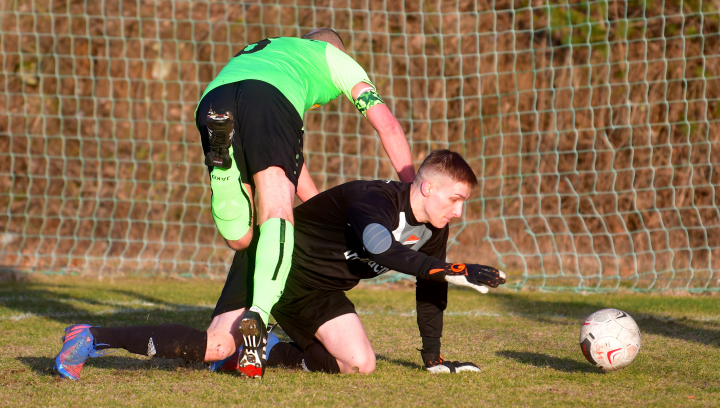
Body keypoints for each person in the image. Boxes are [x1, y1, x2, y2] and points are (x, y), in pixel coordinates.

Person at [54, 150, 506, 380]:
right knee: (216, 348)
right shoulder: (376, 200)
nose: (459, 211)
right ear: (426, 189)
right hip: (271, 265)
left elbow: (428, 285)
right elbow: (380, 248)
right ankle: (93, 337)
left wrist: (433, 357)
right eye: (456, 199)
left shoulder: (433, 224)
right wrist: (453, 270)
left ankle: (269, 349)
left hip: (317, 291)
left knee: (359, 364)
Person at [196, 28, 415, 374]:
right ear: (334, 49)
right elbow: (387, 125)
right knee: (277, 213)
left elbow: (294, 166)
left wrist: (321, 208)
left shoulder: (274, 51)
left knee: (240, 237)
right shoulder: (334, 58)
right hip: (268, 99)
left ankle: (223, 173)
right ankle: (260, 315)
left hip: (213, 100)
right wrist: (411, 190)